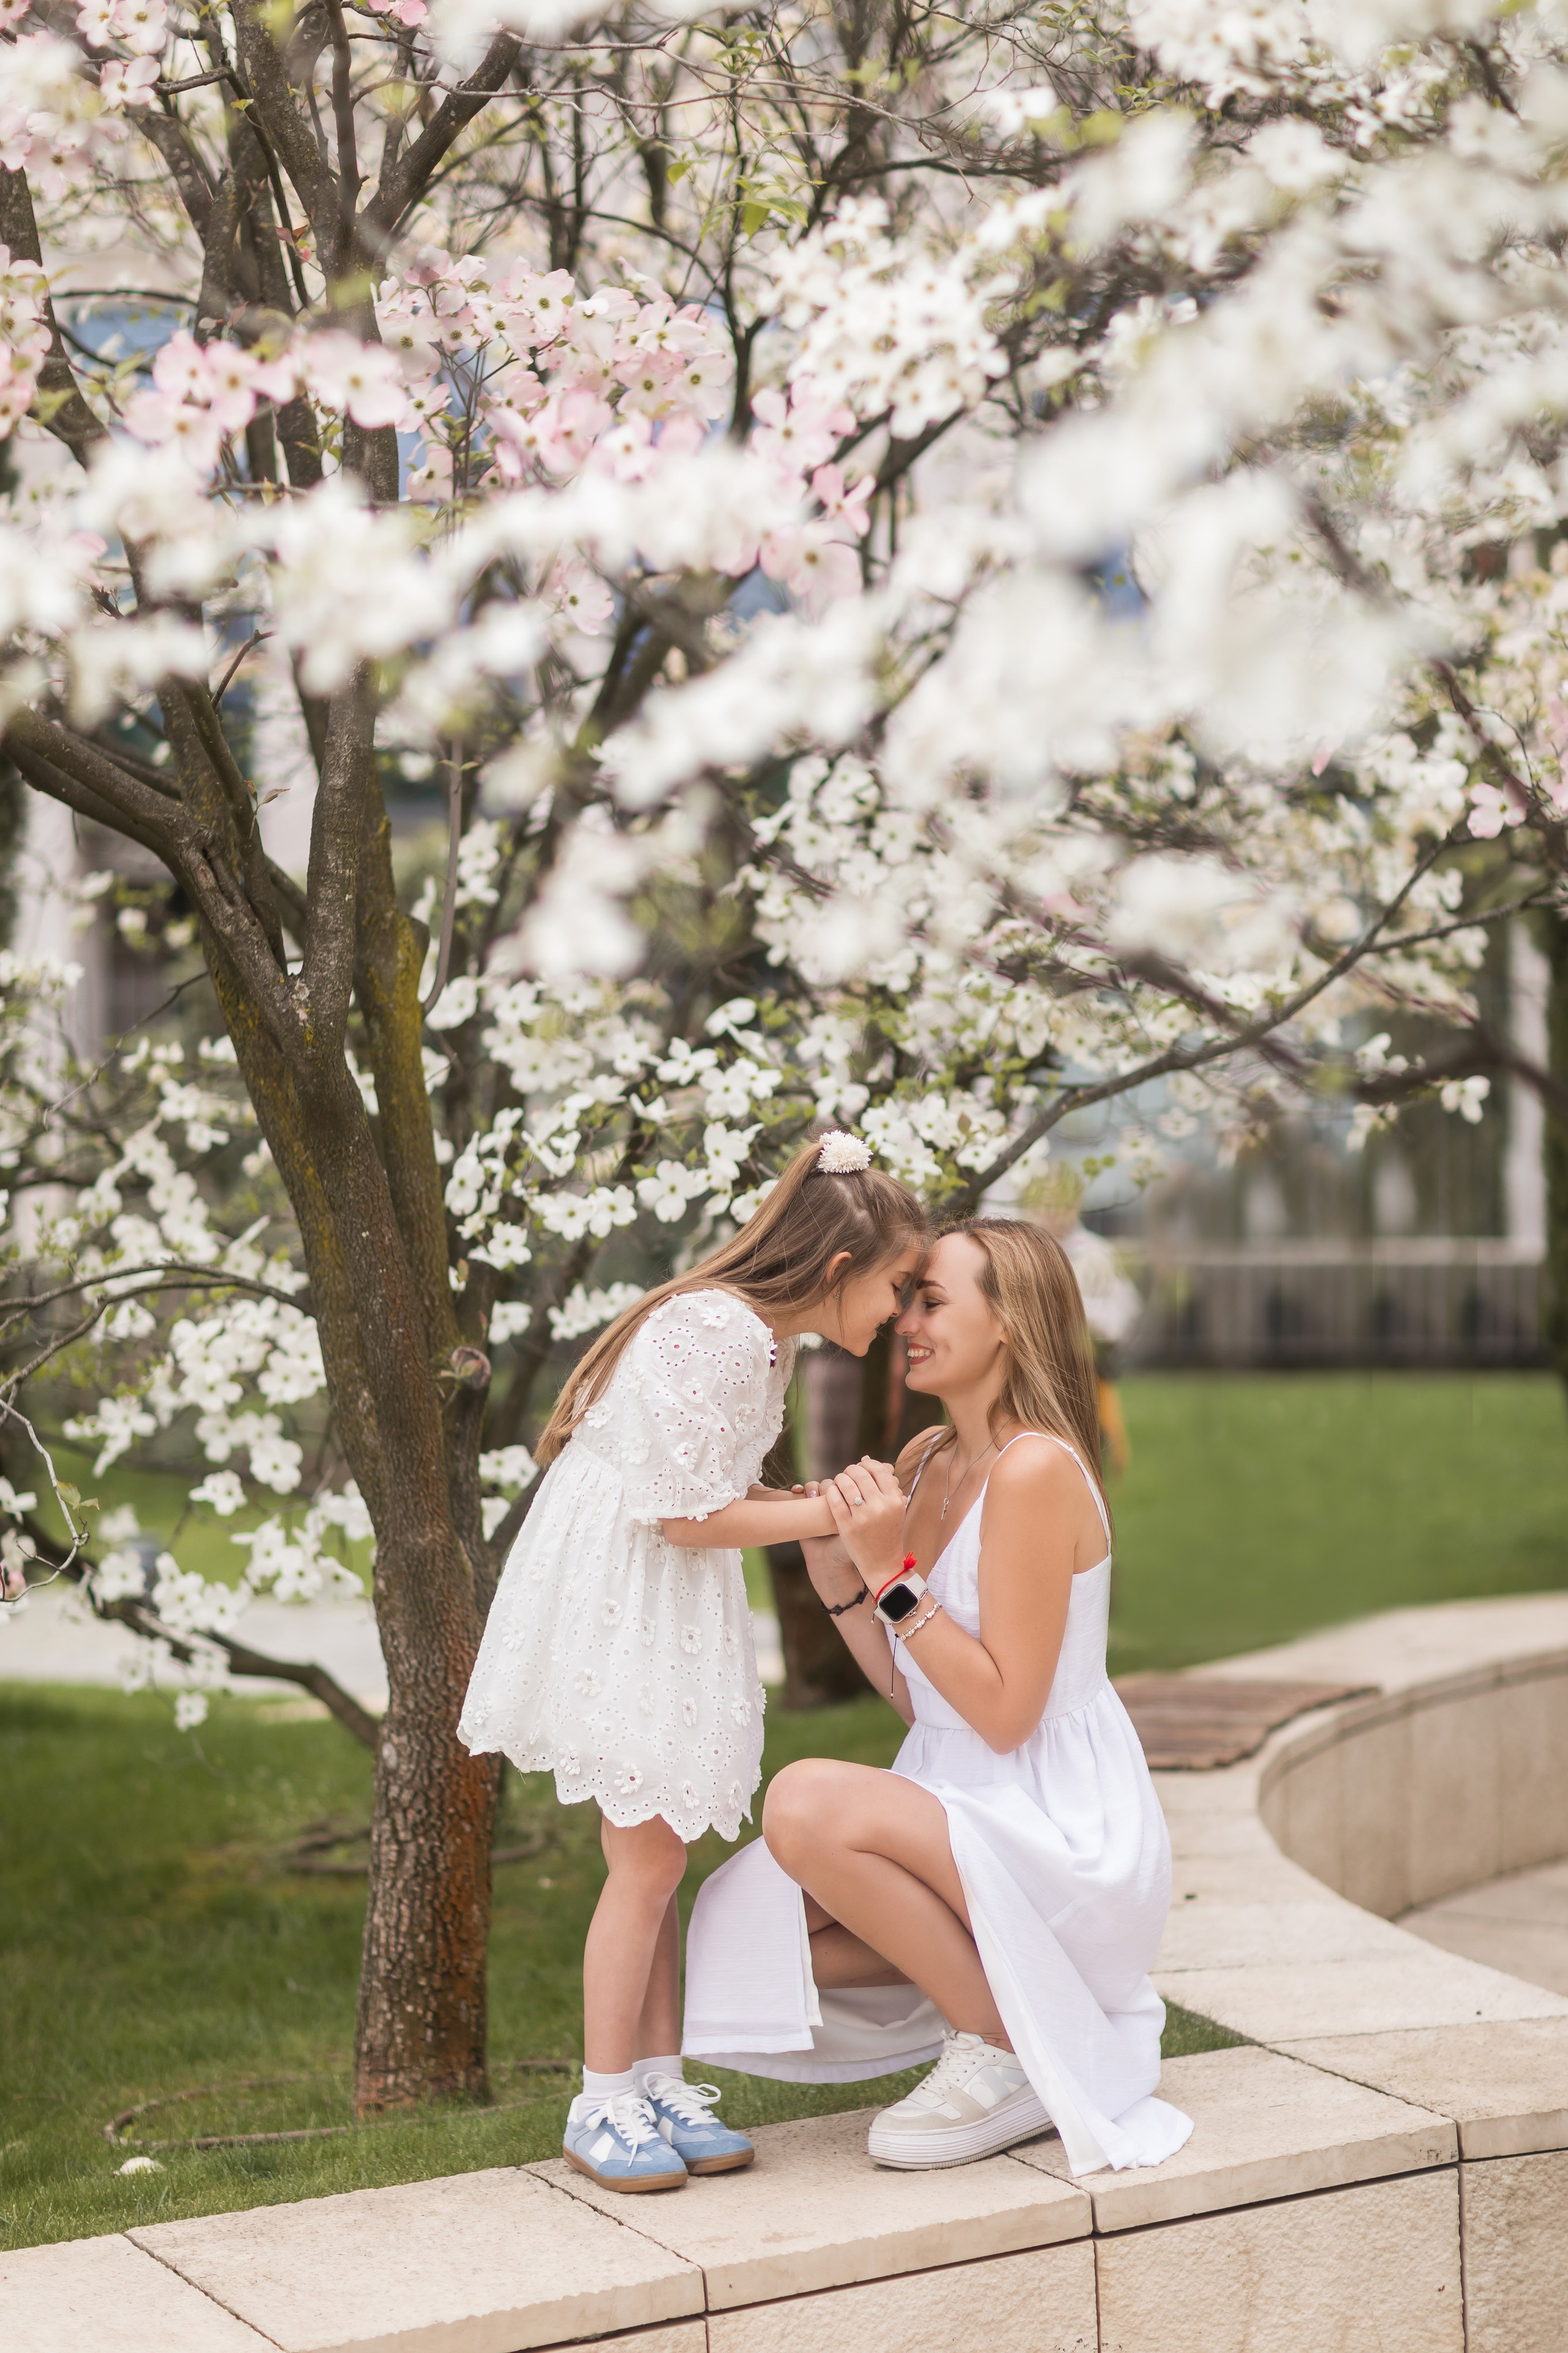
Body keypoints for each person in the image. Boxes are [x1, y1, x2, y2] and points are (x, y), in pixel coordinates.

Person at [458, 1133, 924, 2192]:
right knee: (648, 1862)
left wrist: (820, 1507)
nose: (900, 1315)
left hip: (664, 1591)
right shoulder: (713, 1328)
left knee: (660, 1854)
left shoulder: (764, 1340)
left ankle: (656, 2079)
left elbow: (716, 1495)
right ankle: (600, 2096)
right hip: (626, 1593)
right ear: (842, 1272)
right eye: (898, 1288)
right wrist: (830, 1511)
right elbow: (680, 1516)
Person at [682, 1218, 1192, 2177]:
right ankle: (1018, 2023)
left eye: (934, 1300)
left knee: (803, 1800)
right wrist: (840, 1570)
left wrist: (892, 1576)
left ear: (1007, 1322)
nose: (907, 1320)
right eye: (906, 1299)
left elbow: (1005, 1714)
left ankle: (1004, 2047)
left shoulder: (1035, 1469)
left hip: (1061, 1821)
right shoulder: (925, 1459)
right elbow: (926, 1702)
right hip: (964, 1790)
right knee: (755, 1927)